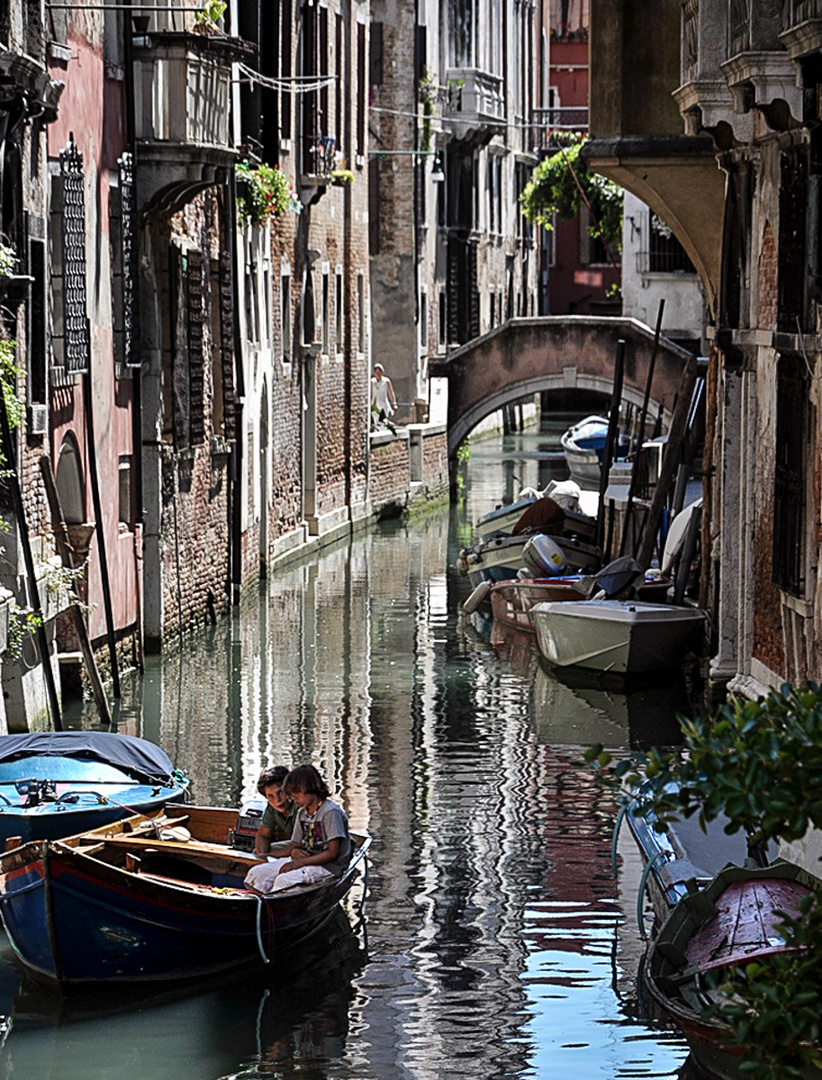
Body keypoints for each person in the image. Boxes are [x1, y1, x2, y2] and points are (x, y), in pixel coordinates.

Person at [244, 764, 352, 895]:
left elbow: (332, 853)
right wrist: (295, 853)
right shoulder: (302, 813)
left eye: (295, 794)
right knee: (255, 874)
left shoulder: (330, 812)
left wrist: (297, 864)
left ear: (308, 788)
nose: (292, 799)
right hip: (305, 861)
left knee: (284, 881)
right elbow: (296, 846)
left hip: (328, 867)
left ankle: (275, 909)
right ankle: (262, 908)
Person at [254, 765, 298, 855]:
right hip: (293, 845)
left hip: (306, 845)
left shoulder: (299, 804)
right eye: (271, 796)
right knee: (256, 852)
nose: (277, 800)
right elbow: (263, 835)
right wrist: (263, 857)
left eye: (280, 792)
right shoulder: (271, 808)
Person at [371, 363, 396, 427]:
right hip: (375, 404)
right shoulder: (372, 382)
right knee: (376, 421)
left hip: (384, 404)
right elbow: (370, 393)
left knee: (383, 420)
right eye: (376, 373)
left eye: (379, 372)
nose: (378, 375)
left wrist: (394, 403)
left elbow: (391, 393)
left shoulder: (386, 381)